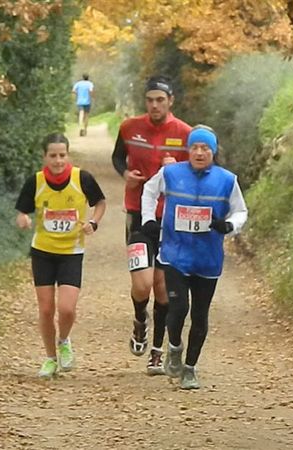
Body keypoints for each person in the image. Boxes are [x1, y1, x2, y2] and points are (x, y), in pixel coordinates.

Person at [140, 125, 248, 389]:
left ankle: (190, 368)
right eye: (195, 148)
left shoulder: (227, 180)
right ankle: (174, 346)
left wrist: (228, 226)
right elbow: (149, 191)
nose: (199, 153)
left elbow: (240, 211)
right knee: (178, 307)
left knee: (200, 315)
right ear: (188, 149)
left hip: (207, 258)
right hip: (175, 254)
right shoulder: (171, 173)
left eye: (205, 148)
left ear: (213, 151)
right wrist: (148, 220)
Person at [111, 75, 191, 375]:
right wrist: (125, 175)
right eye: (150, 100)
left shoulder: (184, 132)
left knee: (161, 286)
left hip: (171, 218)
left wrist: (179, 170)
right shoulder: (130, 127)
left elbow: (200, 167)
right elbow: (118, 157)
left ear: (171, 101)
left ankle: (156, 352)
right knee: (142, 283)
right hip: (137, 212)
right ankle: (139, 319)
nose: (155, 105)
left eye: (161, 99)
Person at [15, 132, 106, 379]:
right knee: (45, 309)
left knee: (66, 309)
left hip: (71, 252)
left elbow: (100, 203)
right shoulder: (35, 181)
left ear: (68, 155)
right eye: (52, 155)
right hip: (43, 251)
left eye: (62, 155)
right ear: (44, 157)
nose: (57, 160)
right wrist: (23, 218)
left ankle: (64, 340)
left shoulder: (81, 178)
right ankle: (50, 358)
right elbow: (22, 210)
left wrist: (93, 223)